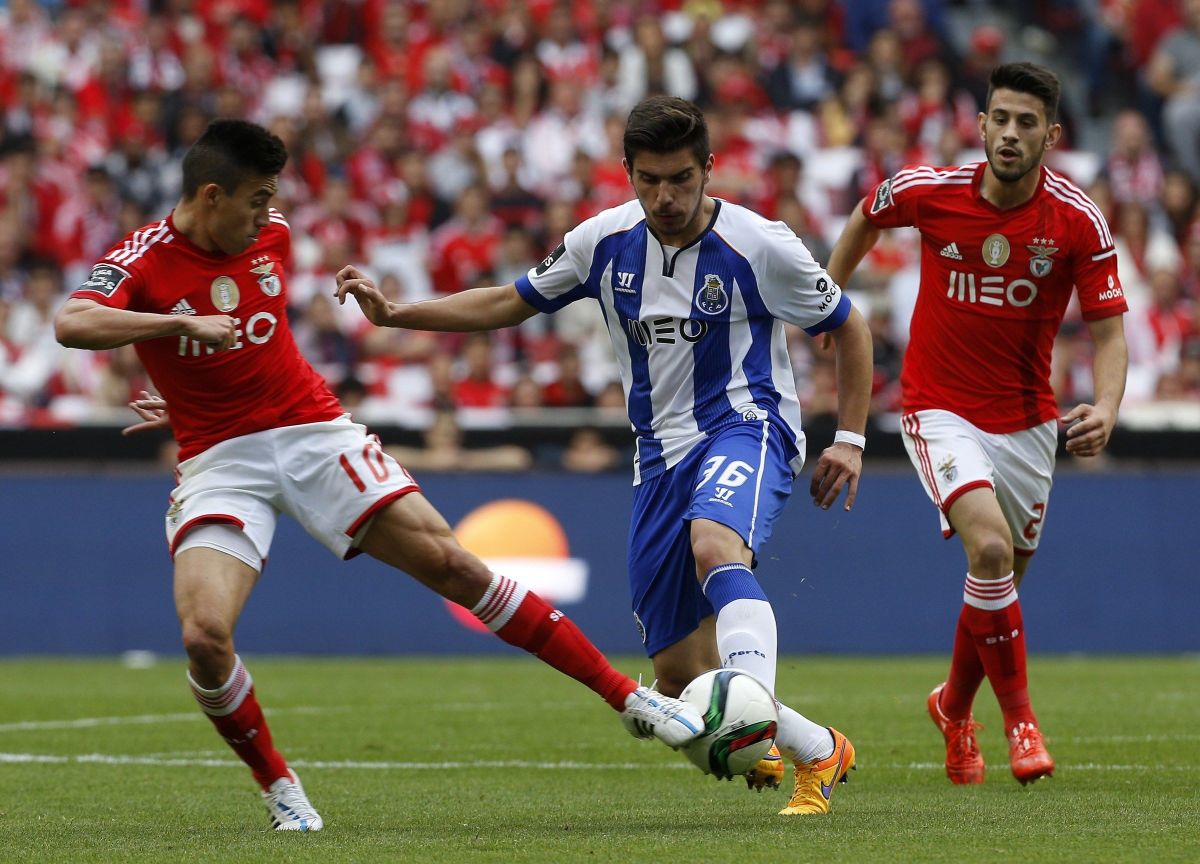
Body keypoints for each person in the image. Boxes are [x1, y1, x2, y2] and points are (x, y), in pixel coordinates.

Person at [53, 119, 704, 833]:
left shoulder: (270, 235)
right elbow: (73, 322)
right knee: (205, 636)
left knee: (456, 566)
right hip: (220, 460)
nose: (269, 214)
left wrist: (184, 372)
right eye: (256, 199)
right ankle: (280, 787)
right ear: (211, 196)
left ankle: (629, 699)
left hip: (313, 431)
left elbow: (252, 340)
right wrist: (168, 331)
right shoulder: (143, 258)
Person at [335, 96, 874, 816]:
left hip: (748, 424)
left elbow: (851, 325)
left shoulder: (760, 245)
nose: (665, 197)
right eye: (649, 180)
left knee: (717, 546)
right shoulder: (602, 242)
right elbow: (508, 302)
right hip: (656, 460)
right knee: (679, 677)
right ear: (626, 173)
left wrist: (851, 437)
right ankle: (819, 749)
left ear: (710, 170)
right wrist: (399, 314)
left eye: (682, 179)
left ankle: (755, 716)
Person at [824, 62, 1129, 786]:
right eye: (1001, 118)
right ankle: (1022, 724)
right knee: (989, 550)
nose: (1011, 134)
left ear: (1051, 135)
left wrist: (1109, 407)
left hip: (1027, 422)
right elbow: (869, 212)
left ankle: (952, 707)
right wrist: (827, 300)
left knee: (998, 579)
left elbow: (1110, 331)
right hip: (938, 407)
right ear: (983, 124)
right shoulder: (933, 191)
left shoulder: (1077, 220)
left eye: (1028, 123)